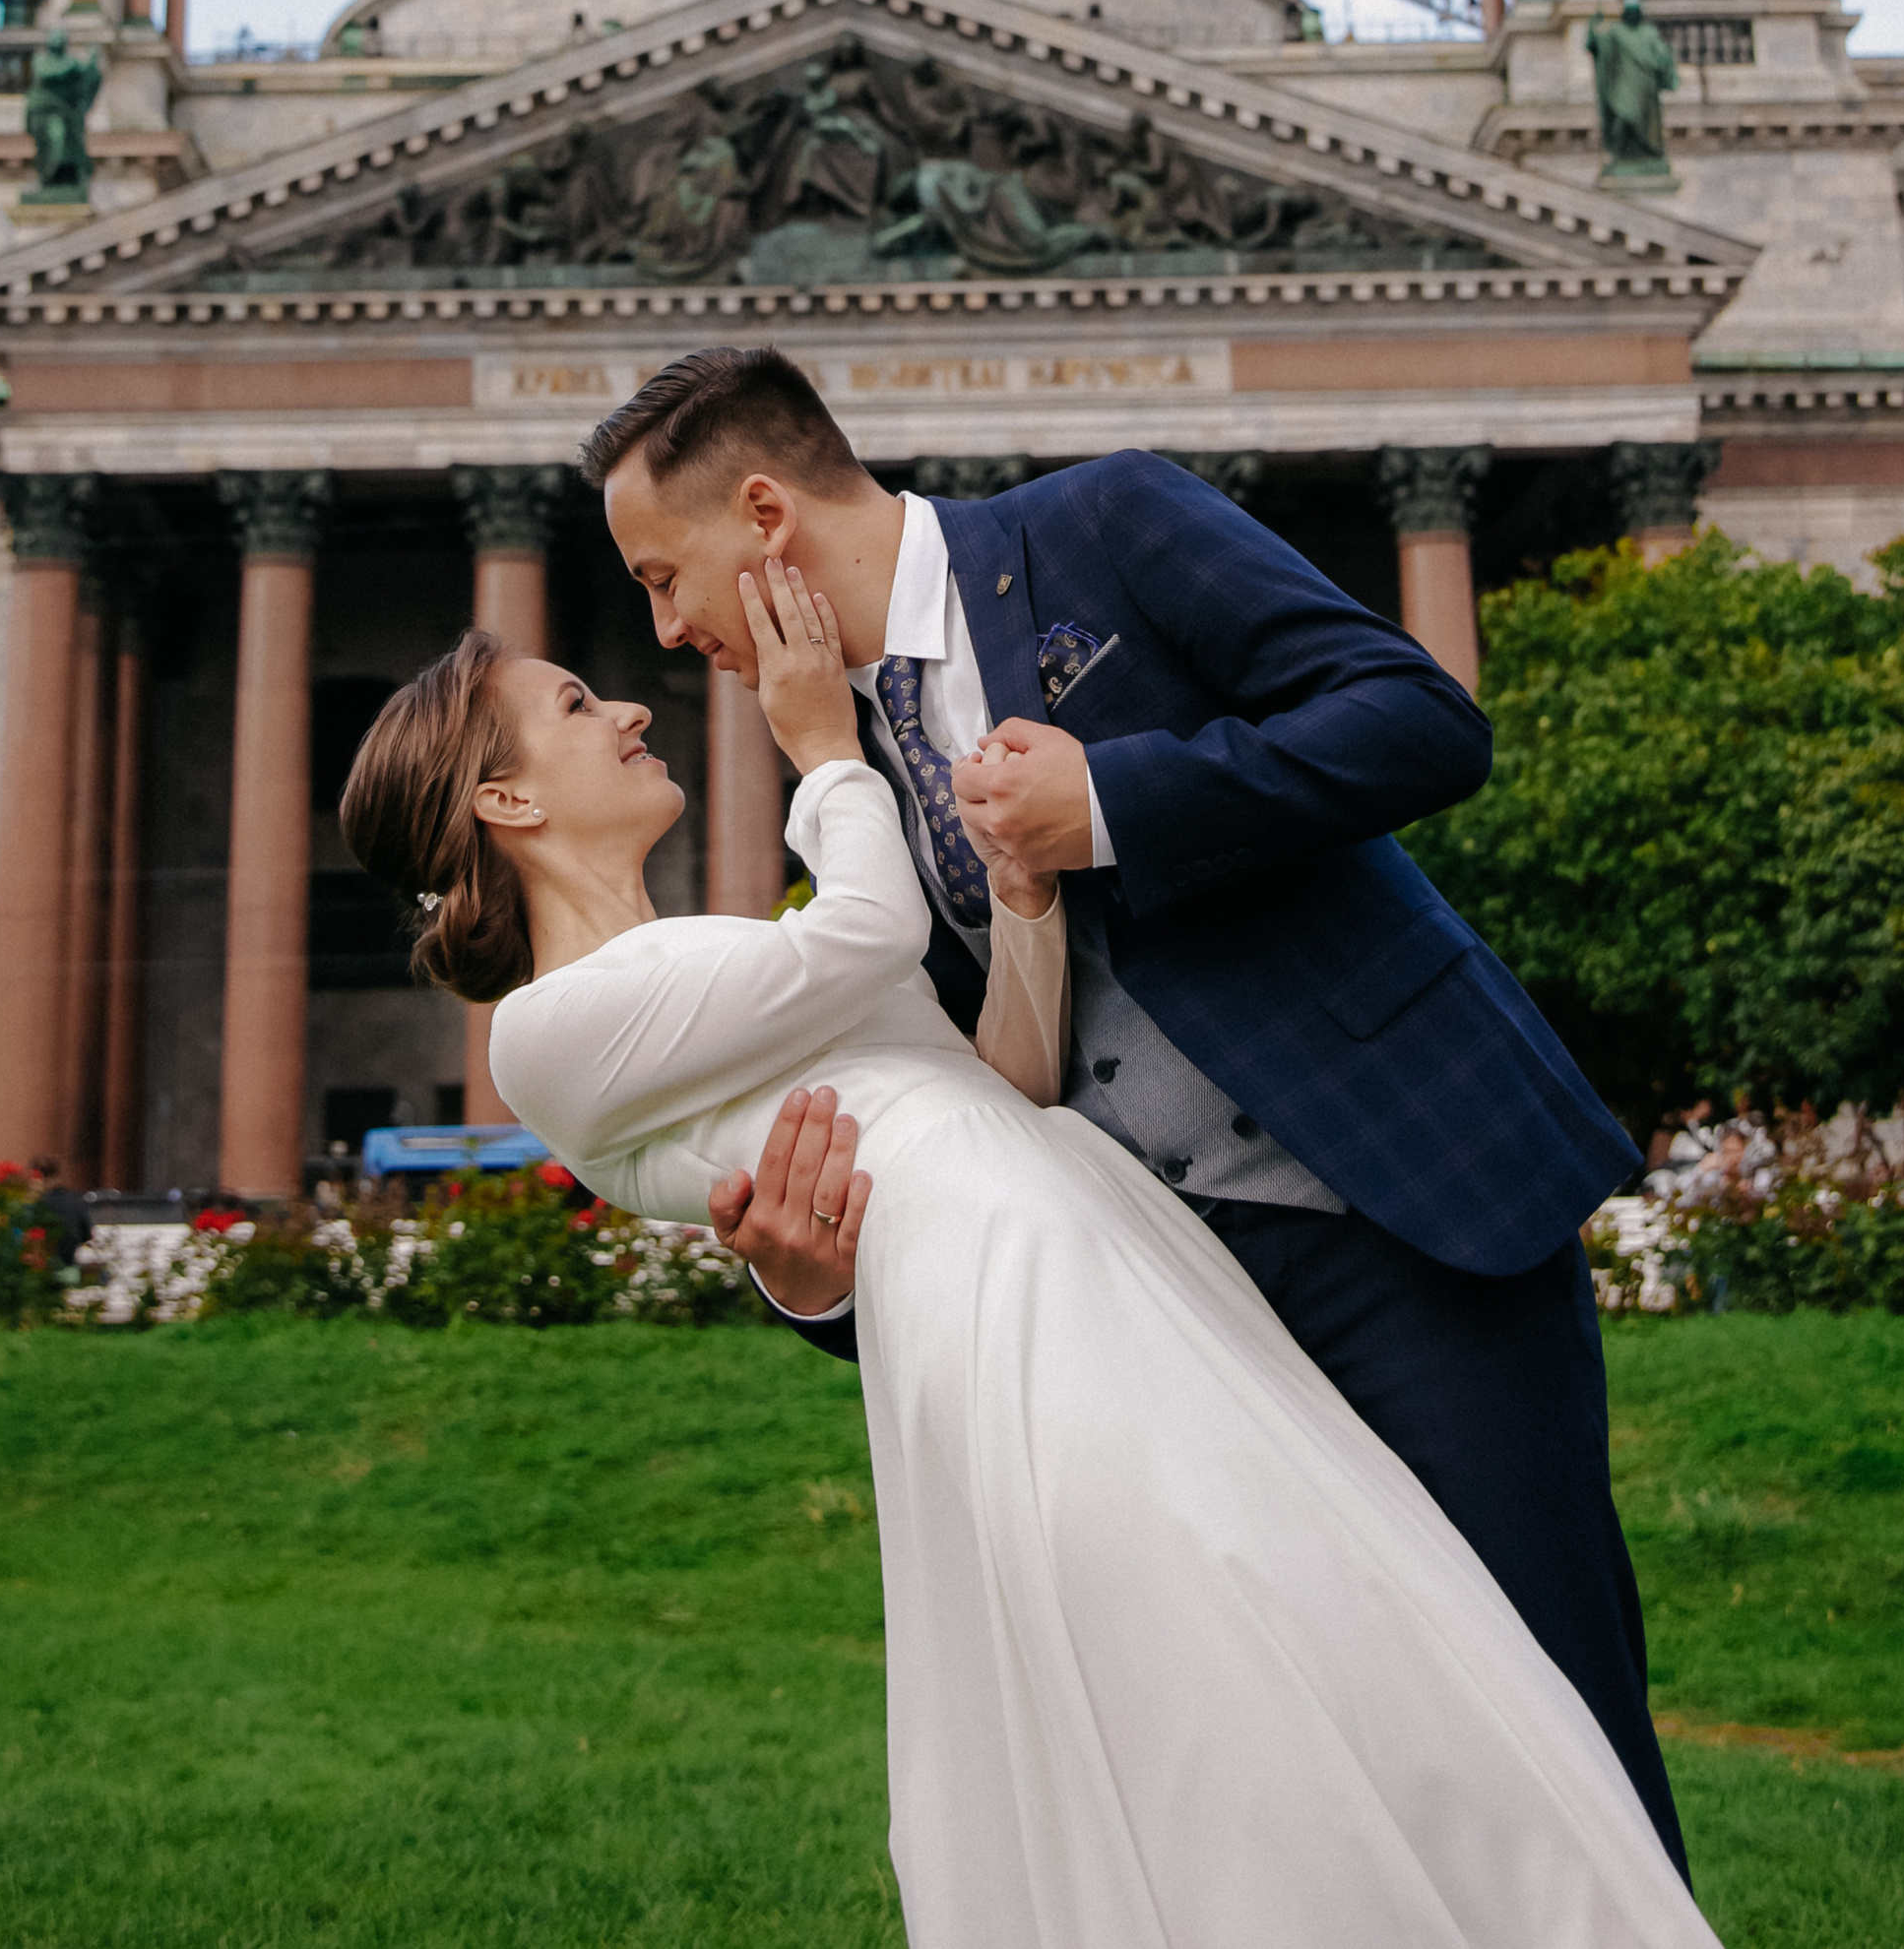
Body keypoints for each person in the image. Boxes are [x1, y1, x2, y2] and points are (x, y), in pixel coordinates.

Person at [341, 579, 1712, 1949]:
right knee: (1219, 1659)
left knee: (1357, 1627)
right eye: (577, 705)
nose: (631, 705)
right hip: (1008, 1301)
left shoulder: (720, 958)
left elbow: (1003, 1076)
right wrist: (823, 749)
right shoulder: (545, 1032)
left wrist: (1025, 903)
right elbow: (870, 935)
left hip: (1106, 1248)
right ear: (505, 803)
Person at [580, 346, 1687, 1878]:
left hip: (1409, 1221)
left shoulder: (1107, 522)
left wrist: (1113, 799)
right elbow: (959, 1089)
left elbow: (1418, 715)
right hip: (1175, 1315)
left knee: (1564, 1735)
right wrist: (817, 1276)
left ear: (763, 510)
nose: (666, 629)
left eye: (663, 573)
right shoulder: (833, 767)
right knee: (1327, 1767)